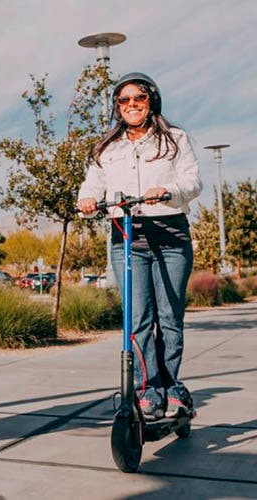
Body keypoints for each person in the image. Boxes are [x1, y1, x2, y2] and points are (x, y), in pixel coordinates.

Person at [77, 72, 202, 420]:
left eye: (139, 98)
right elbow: (91, 184)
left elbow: (192, 181)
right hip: (127, 235)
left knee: (169, 317)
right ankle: (147, 390)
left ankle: (171, 386)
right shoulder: (106, 148)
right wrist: (87, 199)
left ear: (151, 101)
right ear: (117, 107)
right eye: (124, 100)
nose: (132, 104)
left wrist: (167, 191)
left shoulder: (175, 139)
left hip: (170, 233)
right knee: (138, 320)